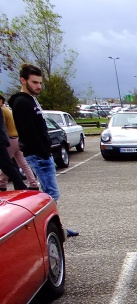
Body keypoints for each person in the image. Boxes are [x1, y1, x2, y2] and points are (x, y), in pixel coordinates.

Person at [10, 63, 78, 236]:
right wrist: (43, 151)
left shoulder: (31, 100)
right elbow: (28, 131)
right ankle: (49, 229)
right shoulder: (21, 102)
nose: (38, 86)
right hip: (38, 154)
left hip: (42, 153)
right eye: (34, 82)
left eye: (40, 83)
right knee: (50, 194)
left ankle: (56, 228)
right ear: (23, 81)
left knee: (50, 193)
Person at [0, 93, 37, 191]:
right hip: (16, 138)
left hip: (10, 139)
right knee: (22, 163)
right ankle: (33, 183)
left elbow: (2, 126)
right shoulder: (8, 109)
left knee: (6, 164)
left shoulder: (3, 110)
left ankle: (2, 184)